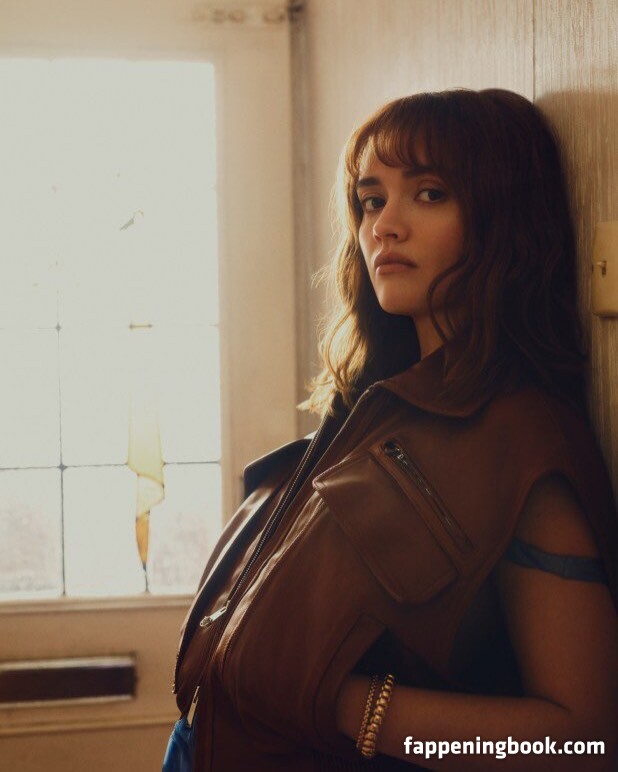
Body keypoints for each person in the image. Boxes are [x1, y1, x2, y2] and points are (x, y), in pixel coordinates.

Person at [166, 89, 618, 771]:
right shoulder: (374, 404)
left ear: (503, 218)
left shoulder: (521, 437)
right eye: (371, 200)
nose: (384, 226)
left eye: (429, 194)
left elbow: (582, 740)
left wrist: (348, 705)